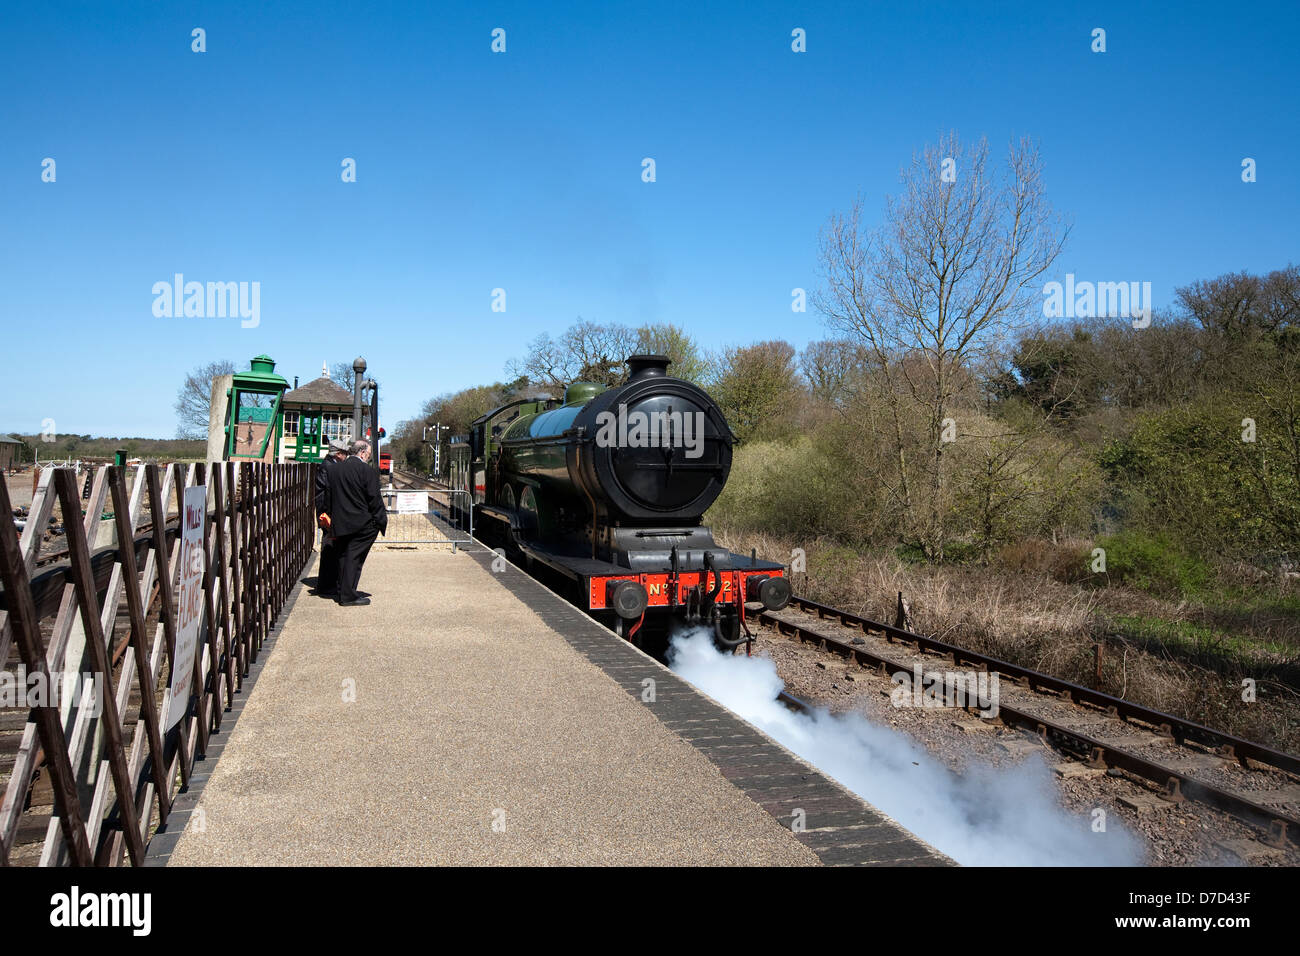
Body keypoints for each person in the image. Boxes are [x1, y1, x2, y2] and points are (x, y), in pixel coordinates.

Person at [328, 439, 387, 606]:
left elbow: (329, 496)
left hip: (340, 522)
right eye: (368, 455)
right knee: (355, 558)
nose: (368, 458)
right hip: (362, 524)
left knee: (343, 556)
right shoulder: (367, 471)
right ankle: (348, 595)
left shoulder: (334, 469)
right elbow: (374, 499)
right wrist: (380, 521)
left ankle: (342, 590)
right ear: (362, 453)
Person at [312, 439, 351, 598]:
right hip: (328, 515)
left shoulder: (328, 466)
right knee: (329, 550)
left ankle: (328, 583)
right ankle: (326, 585)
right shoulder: (329, 467)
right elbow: (326, 493)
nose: (346, 456)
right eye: (345, 453)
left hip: (327, 513)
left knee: (331, 549)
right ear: (338, 453)